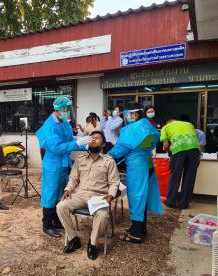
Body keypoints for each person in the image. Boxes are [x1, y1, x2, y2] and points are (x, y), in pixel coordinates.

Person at [57, 131, 119, 259]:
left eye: (97, 138)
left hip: (99, 196)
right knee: (60, 207)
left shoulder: (109, 162)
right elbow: (73, 179)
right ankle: (73, 239)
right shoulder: (79, 160)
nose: (93, 140)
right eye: (91, 138)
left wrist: (111, 195)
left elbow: (114, 183)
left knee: (102, 215)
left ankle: (92, 244)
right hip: (80, 194)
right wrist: (68, 189)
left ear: (103, 144)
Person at [36, 96, 92, 238]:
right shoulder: (50, 126)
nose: (68, 112)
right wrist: (77, 144)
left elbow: (69, 139)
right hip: (53, 165)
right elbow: (56, 147)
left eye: (69, 109)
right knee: (50, 194)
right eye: (66, 109)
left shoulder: (64, 122)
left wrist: (81, 141)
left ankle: (57, 220)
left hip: (64, 163)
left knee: (61, 192)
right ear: (58, 109)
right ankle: (47, 224)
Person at [108, 103, 162, 243]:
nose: (128, 116)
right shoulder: (148, 125)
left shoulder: (131, 129)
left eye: (130, 114)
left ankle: (136, 234)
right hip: (147, 163)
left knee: (136, 197)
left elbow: (120, 149)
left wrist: (107, 156)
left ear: (136, 114)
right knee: (142, 197)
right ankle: (139, 228)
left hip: (137, 167)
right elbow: (154, 142)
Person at [160, 117, 200, 209]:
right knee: (189, 178)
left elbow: (166, 145)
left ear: (167, 122)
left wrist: (169, 152)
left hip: (178, 151)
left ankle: (170, 202)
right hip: (194, 151)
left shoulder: (165, 127)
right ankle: (184, 203)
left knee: (175, 177)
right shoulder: (189, 124)